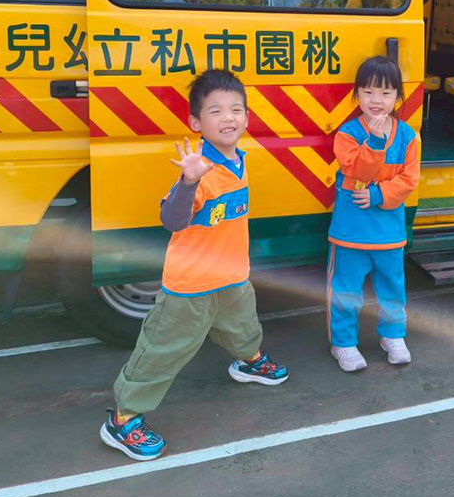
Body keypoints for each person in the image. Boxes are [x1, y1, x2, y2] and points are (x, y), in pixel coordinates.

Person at [100, 69, 289, 461]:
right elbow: (172, 220)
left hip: (232, 275)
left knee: (241, 323)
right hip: (190, 285)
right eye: (215, 111)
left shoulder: (238, 160)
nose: (228, 117)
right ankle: (123, 419)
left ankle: (249, 362)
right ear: (196, 123)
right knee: (164, 348)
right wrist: (188, 182)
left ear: (248, 117)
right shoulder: (199, 168)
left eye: (236, 109)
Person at [327, 56, 420, 372]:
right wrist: (376, 143)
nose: (376, 100)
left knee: (393, 290)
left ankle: (393, 335)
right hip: (350, 233)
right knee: (346, 291)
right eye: (367, 92)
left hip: (389, 234)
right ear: (356, 95)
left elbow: (410, 180)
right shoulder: (347, 134)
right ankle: (343, 343)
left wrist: (378, 195)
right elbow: (356, 169)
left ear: (398, 96)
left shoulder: (408, 136)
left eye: (385, 93)